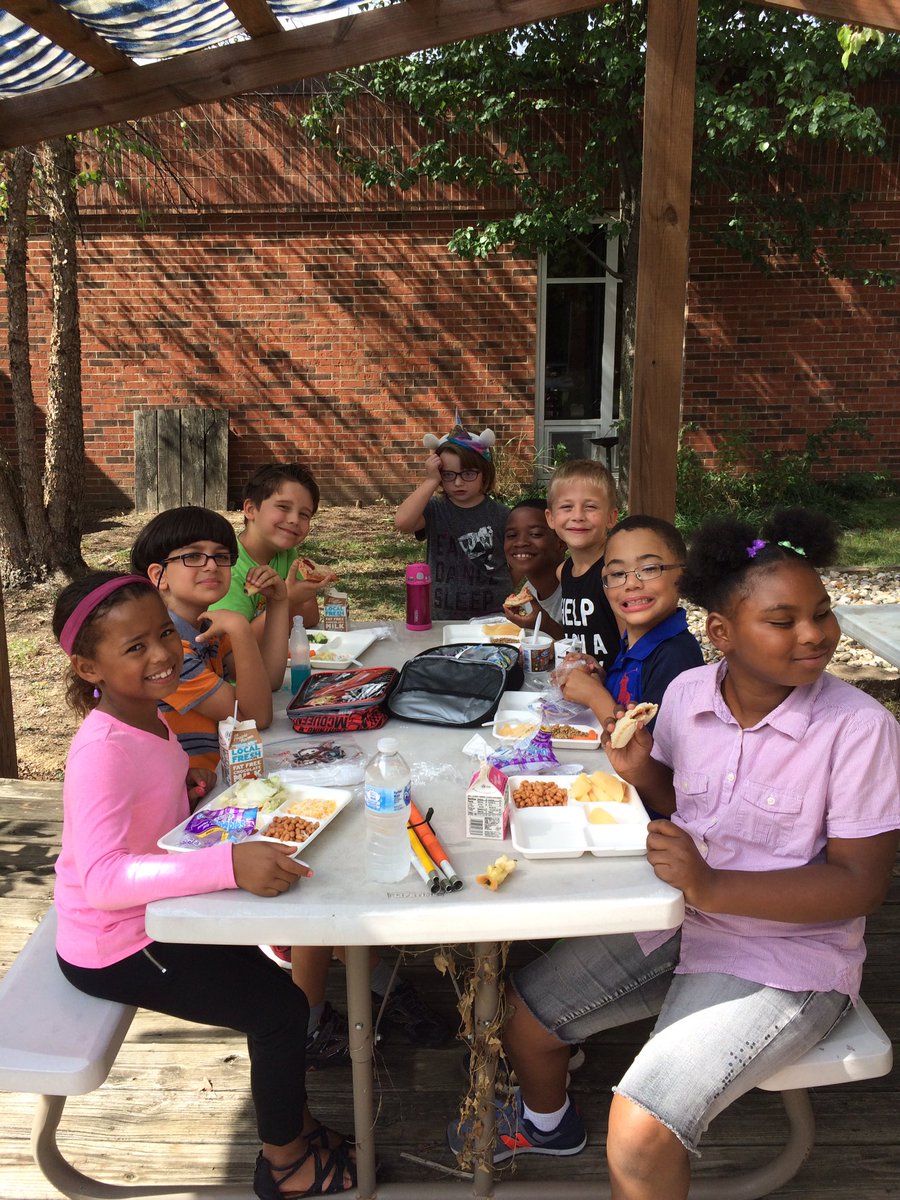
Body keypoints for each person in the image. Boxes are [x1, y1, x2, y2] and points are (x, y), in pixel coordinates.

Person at [449, 508, 900, 1200]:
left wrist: (711, 885)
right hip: (678, 918)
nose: (814, 634)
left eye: (822, 613)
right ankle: (548, 1124)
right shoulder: (689, 696)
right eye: (783, 621)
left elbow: (860, 884)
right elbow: (677, 794)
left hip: (787, 958)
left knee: (640, 1129)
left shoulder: (860, 729)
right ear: (721, 633)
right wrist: (641, 773)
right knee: (519, 1016)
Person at [52, 572, 356, 1198]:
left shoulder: (148, 717)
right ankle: (285, 1164)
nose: (162, 654)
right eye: (135, 647)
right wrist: (229, 865)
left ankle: (293, 1123)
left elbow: (145, 806)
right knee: (277, 1012)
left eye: (164, 634)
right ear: (89, 668)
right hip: (116, 943)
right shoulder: (101, 750)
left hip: (160, 912)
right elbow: (103, 878)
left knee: (277, 993)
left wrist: (187, 792)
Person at [131, 506, 287, 770]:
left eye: (221, 556)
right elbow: (256, 717)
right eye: (193, 556)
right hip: (187, 787)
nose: (212, 565)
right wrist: (240, 629)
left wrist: (279, 603)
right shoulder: (168, 653)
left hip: (216, 775)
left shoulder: (205, 630)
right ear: (160, 575)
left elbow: (269, 680)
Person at [558, 516, 704, 728]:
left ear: (683, 575)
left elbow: (647, 746)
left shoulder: (676, 658)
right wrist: (602, 680)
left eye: (649, 568)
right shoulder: (633, 643)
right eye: (618, 573)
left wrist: (595, 696)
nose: (631, 583)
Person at [505, 458, 621, 671]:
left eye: (590, 507)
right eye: (567, 507)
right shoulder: (564, 572)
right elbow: (576, 637)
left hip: (611, 685)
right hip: (578, 680)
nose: (578, 516)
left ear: (611, 517)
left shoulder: (614, 573)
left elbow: (634, 644)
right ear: (551, 518)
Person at [394, 412, 512, 619]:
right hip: (442, 619)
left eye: (468, 474)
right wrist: (431, 481)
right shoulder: (435, 509)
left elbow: (516, 563)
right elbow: (403, 523)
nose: (458, 482)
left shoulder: (502, 515)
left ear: (484, 473)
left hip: (492, 619)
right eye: (448, 475)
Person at [211, 463, 335, 633]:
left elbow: (311, 614)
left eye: (304, 514)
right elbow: (231, 644)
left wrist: (264, 624)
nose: (294, 520)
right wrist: (286, 601)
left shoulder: (286, 553)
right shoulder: (227, 569)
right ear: (250, 509)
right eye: (283, 507)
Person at [501, 499, 566, 625]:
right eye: (512, 535)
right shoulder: (528, 592)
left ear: (561, 543)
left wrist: (545, 625)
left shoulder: (577, 591)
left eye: (535, 534)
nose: (520, 542)